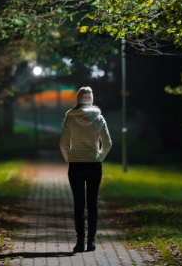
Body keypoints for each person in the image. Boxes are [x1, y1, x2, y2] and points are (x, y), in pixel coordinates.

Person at [59, 86, 112, 253]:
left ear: (78, 99)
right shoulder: (98, 118)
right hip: (94, 165)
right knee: (93, 203)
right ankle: (91, 242)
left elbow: (63, 143)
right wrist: (98, 157)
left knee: (78, 204)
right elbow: (108, 143)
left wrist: (69, 157)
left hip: (76, 164)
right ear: (91, 99)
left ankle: (79, 242)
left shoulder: (70, 117)